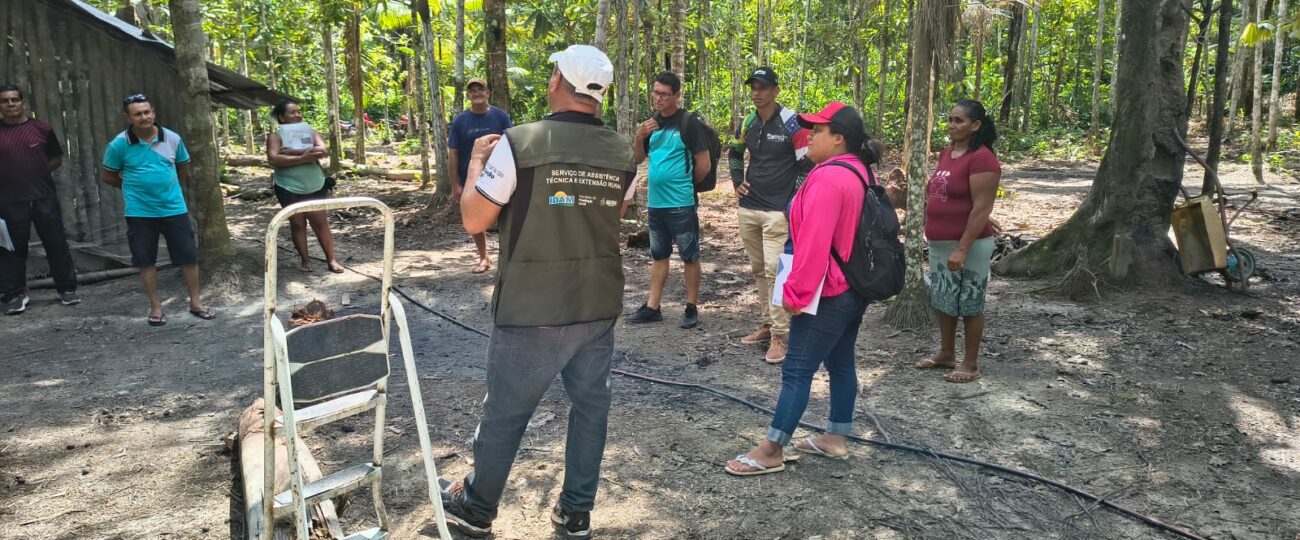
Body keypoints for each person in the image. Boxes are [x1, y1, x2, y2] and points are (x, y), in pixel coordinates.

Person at [440, 45, 636, 539]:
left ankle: (478, 506)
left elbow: (473, 219)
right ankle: (575, 514)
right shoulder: (621, 152)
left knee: (506, 411)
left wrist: (472, 169)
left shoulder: (519, 143)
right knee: (591, 409)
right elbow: (606, 217)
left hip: (532, 304)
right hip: (596, 301)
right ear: (601, 95)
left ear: (556, 82)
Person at [725, 102, 876, 476]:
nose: (809, 135)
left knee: (796, 369)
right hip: (852, 288)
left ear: (838, 138)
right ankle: (835, 437)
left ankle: (772, 449)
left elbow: (814, 245)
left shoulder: (828, 178)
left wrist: (794, 296)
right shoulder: (858, 172)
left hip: (828, 291)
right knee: (841, 362)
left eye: (819, 130)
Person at [101, 94, 214, 326]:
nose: (144, 117)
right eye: (138, 114)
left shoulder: (172, 138)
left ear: (153, 112)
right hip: (139, 212)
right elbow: (108, 176)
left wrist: (171, 188)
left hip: (174, 208)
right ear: (128, 117)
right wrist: (133, 188)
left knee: (188, 256)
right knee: (145, 259)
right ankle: (156, 306)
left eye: (147, 112)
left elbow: (182, 166)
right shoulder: (119, 144)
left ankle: (195, 302)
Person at [914, 99, 1002, 383]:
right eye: (950, 119)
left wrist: (963, 247)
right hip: (940, 244)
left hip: (968, 246)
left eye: (959, 120)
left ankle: (970, 363)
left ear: (975, 125)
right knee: (944, 300)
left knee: (970, 301)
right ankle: (946, 353)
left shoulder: (982, 158)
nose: (953, 125)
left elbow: (981, 208)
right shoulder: (947, 153)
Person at [727, 66, 810, 364]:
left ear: (775, 90)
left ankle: (781, 334)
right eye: (753, 86)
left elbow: (808, 164)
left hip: (778, 212)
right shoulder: (746, 121)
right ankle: (767, 323)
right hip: (749, 208)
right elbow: (734, 153)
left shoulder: (792, 122)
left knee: (777, 272)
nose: (757, 92)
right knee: (759, 269)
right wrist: (738, 183)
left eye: (763, 87)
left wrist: (792, 199)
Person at [625, 71, 710, 329]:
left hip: (681, 203)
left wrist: (683, 185)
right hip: (656, 203)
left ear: (676, 95)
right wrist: (639, 136)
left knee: (689, 255)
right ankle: (653, 306)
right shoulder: (652, 124)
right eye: (655, 92)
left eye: (664, 94)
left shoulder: (688, 123)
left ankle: (691, 306)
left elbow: (703, 165)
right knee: (659, 254)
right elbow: (638, 159)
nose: (658, 99)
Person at [0, 84, 80, 314]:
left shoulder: (41, 128)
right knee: (11, 249)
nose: (11, 104)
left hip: (43, 196)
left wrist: (35, 172)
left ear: (23, 102)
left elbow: (56, 158)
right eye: (5, 101)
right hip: (8, 200)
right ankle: (14, 295)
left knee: (56, 243)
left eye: (15, 99)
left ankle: (67, 289)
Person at [266, 99, 344, 274]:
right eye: (292, 112)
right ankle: (305, 260)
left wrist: (290, 152)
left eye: (299, 112)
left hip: (315, 183)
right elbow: (274, 158)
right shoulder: (275, 136)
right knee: (297, 223)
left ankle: (331, 259)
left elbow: (322, 151)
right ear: (281, 117)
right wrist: (304, 157)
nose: (297, 115)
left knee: (320, 222)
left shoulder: (311, 132)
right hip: (287, 186)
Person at [448, 77, 512, 274]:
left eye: (480, 89)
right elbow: (453, 153)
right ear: (468, 95)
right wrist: (455, 184)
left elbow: (511, 144)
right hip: (471, 177)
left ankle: (508, 258)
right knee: (474, 218)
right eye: (472, 90)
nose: (476, 93)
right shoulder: (460, 121)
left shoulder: (501, 117)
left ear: (487, 93)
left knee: (507, 216)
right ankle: (484, 257)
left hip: (499, 176)